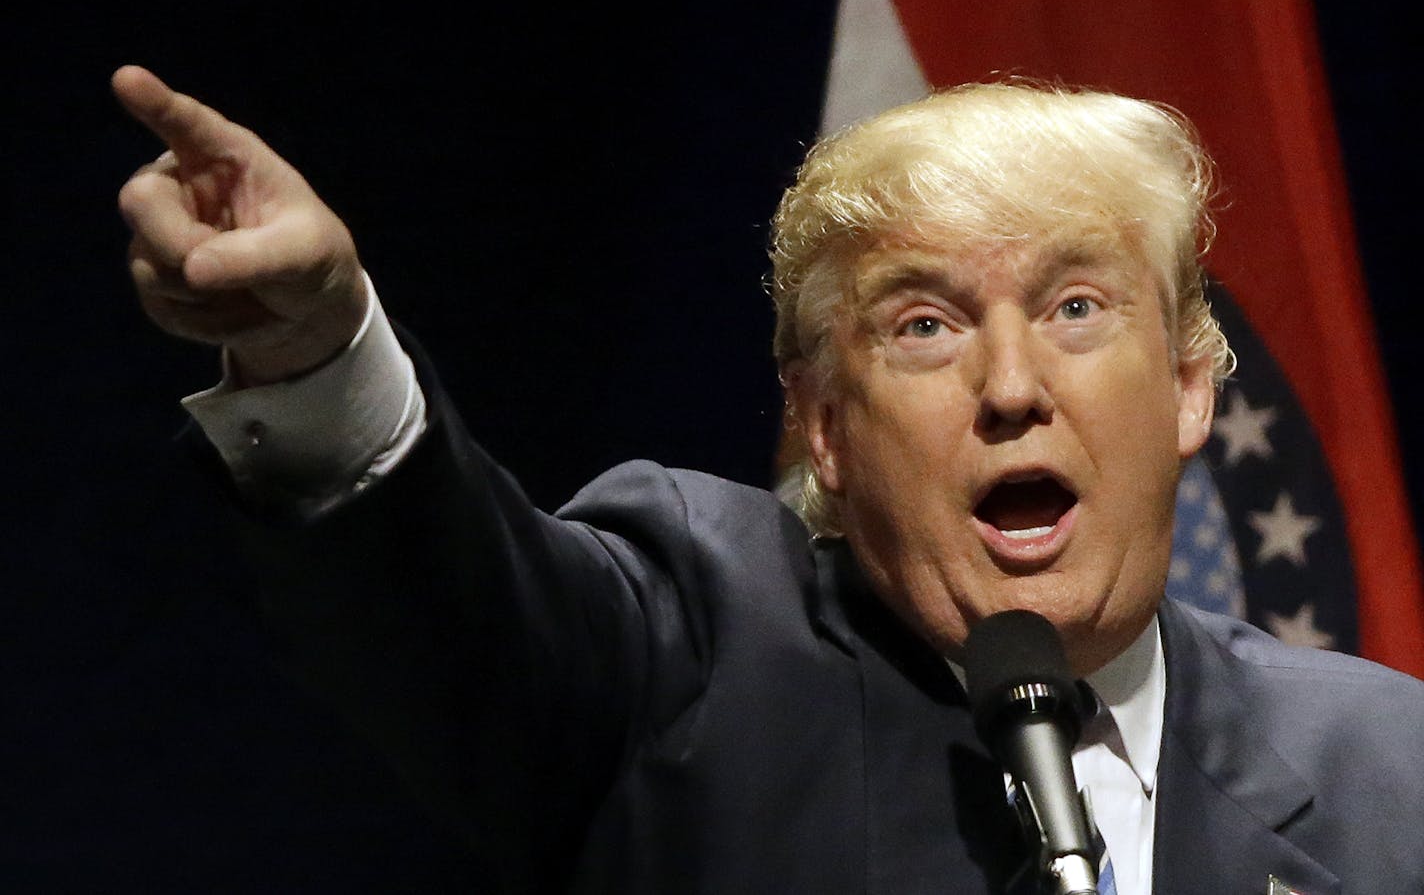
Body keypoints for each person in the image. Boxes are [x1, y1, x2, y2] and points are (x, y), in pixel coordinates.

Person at [114, 65, 1424, 893]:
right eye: (925, 324)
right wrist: (315, 353)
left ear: (1193, 383)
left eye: (1077, 306)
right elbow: (455, 604)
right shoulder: (690, 652)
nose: (1015, 384)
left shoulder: (1388, 771)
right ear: (823, 426)